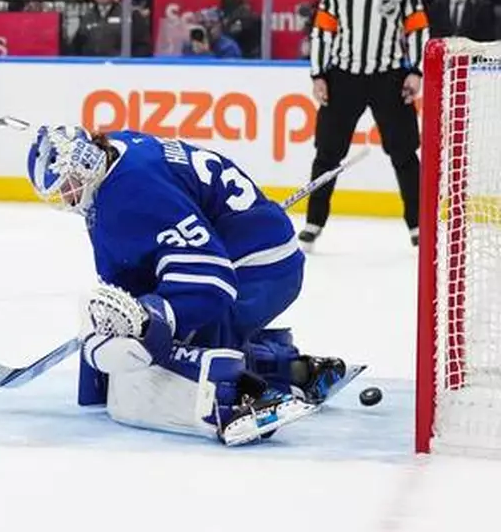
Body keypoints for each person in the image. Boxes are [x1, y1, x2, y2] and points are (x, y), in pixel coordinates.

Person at [26, 125, 348, 446]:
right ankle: (291, 368)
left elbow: (212, 279)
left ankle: (247, 397)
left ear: (84, 165)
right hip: (250, 245)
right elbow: (143, 252)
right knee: (160, 337)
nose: (65, 197)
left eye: (66, 184)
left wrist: (154, 317)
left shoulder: (131, 192)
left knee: (169, 349)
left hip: (259, 267)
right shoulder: (116, 150)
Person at [302, 0, 429, 251]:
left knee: (404, 153)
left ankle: (418, 225)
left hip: (389, 78)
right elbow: (322, 33)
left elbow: (417, 30)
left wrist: (415, 71)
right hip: (344, 78)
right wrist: (319, 75)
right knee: (326, 154)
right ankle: (313, 223)